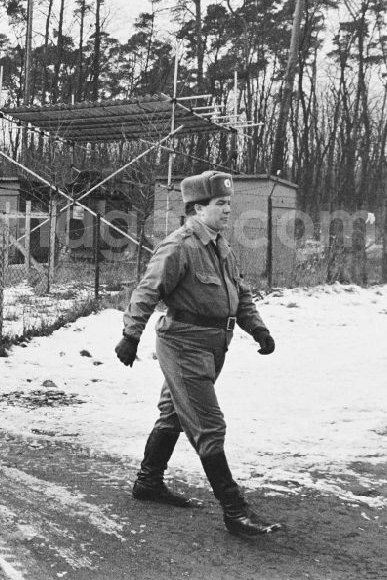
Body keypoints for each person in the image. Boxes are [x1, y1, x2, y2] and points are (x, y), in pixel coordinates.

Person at [115, 170, 281, 537]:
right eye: (221, 204)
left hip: (212, 345)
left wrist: (258, 328)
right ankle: (235, 512)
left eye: (228, 204)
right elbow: (147, 291)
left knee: (174, 414)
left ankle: (148, 482)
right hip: (183, 343)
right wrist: (131, 335)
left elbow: (240, 294)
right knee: (208, 424)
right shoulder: (179, 246)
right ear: (197, 208)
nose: (227, 210)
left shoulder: (220, 246)